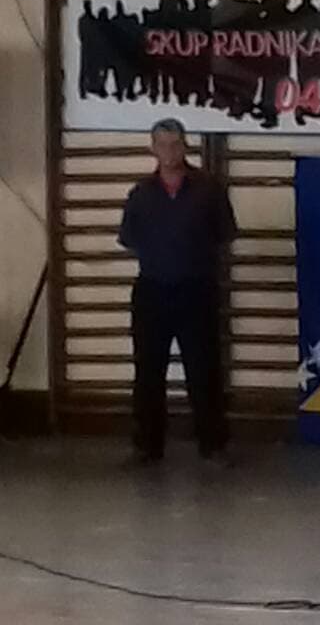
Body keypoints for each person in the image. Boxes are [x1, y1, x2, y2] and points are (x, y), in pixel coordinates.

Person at [118, 118, 237, 465]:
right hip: (152, 289)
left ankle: (213, 444)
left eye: (175, 144)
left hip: (197, 289)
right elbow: (130, 238)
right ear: (152, 149)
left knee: (204, 369)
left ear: (185, 146)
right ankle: (147, 445)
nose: (169, 151)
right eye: (162, 145)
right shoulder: (140, 194)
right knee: (148, 371)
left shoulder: (209, 189)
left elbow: (224, 234)